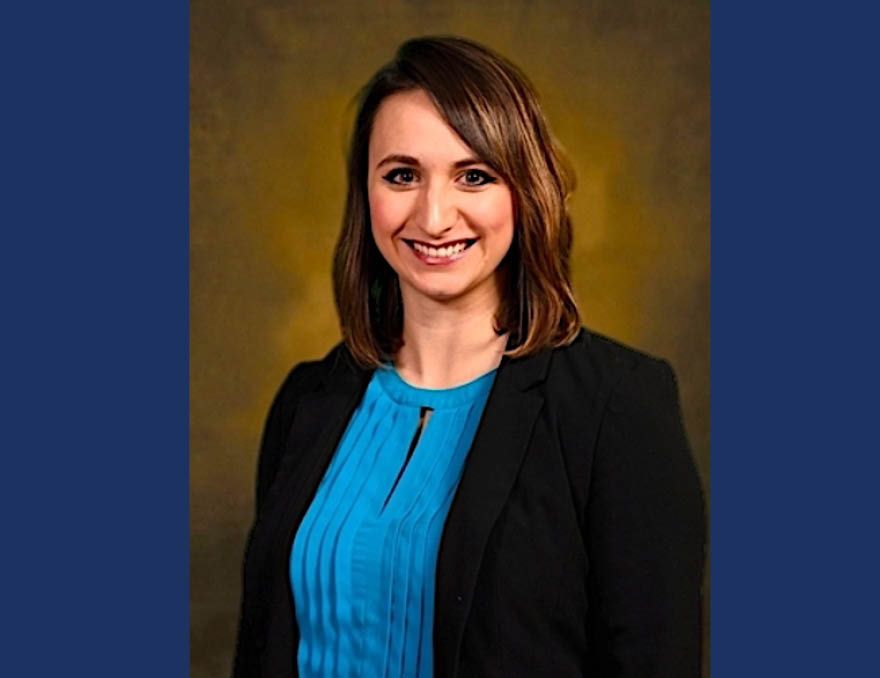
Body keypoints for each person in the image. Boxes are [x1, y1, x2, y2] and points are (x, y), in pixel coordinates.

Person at [233, 35, 705, 678]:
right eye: (402, 175)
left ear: (525, 192)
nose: (433, 215)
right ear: (365, 196)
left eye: (474, 175)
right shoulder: (307, 403)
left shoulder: (615, 407)